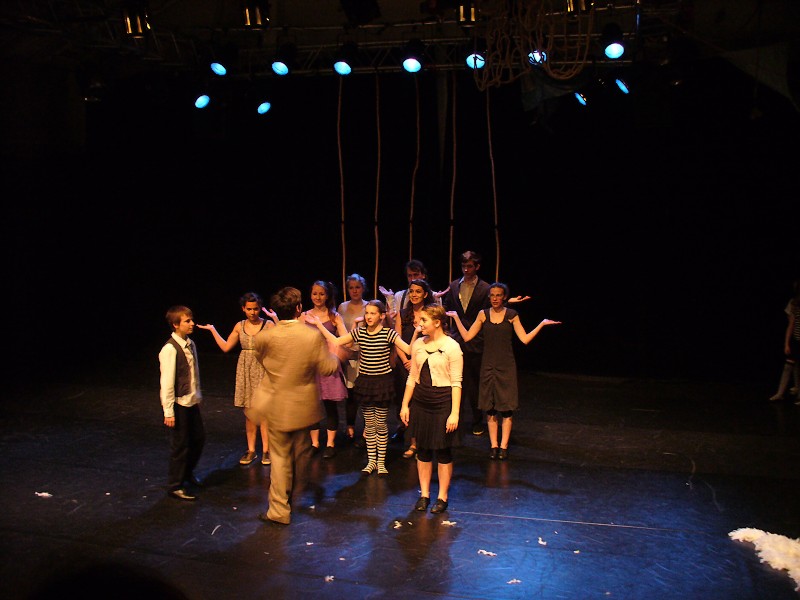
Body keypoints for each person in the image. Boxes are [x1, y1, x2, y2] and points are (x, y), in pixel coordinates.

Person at [249, 287, 340, 525]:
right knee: (299, 454)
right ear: (298, 308)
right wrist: (336, 355)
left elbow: (261, 360)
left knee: (280, 459)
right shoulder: (311, 336)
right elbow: (327, 368)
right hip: (304, 407)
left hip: (277, 404)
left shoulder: (265, 337)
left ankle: (279, 509)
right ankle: (291, 493)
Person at [447, 282, 561, 460]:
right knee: (490, 409)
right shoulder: (483, 315)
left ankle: (504, 446)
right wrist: (455, 317)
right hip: (488, 366)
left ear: (504, 297)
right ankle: (494, 446)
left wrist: (542, 324)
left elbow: (524, 339)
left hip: (506, 367)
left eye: (498, 295)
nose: (494, 298)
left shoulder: (511, 315)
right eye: (492, 295)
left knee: (506, 409)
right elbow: (468, 336)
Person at [309, 299, 415, 476]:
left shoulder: (388, 334)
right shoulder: (360, 332)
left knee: (380, 424)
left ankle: (381, 462)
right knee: (369, 425)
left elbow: (409, 349)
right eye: (367, 313)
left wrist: (417, 332)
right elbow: (337, 341)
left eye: (373, 313)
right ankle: (371, 461)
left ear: (381, 316)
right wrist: (319, 324)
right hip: (365, 383)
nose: (369, 316)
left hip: (382, 383)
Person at [197, 292, 274, 466]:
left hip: (263, 368)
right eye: (249, 309)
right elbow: (226, 347)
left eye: (255, 309)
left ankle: (267, 450)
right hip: (245, 368)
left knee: (264, 413)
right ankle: (251, 450)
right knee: (249, 412)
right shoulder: (240, 326)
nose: (253, 312)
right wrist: (213, 330)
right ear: (243, 309)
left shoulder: (268, 325)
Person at [400, 305, 463, 514]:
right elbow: (412, 377)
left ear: (437, 323)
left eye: (424, 320)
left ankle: (442, 496)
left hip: (443, 402)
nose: (420, 324)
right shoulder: (418, 344)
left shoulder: (452, 347)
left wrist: (454, 413)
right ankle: (424, 494)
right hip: (421, 402)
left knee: (443, 451)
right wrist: (405, 404)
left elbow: (456, 382)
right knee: (423, 450)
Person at [441, 250, 492, 436]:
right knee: (455, 380)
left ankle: (477, 420)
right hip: (456, 340)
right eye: (463, 266)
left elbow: (489, 313)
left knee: (475, 384)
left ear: (477, 267)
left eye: (469, 266)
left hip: (476, 341)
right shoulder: (454, 285)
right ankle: (457, 419)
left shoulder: (485, 288)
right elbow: (447, 307)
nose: (466, 270)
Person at [159, 305, 205, 501]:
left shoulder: (190, 343)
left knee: (198, 439)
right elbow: (167, 382)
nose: (192, 323)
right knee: (180, 445)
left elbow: (193, 373)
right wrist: (168, 411)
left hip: (191, 401)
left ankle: (187, 473)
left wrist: (197, 396)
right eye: (187, 321)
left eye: (191, 319)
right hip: (179, 404)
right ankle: (175, 485)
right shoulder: (170, 349)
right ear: (176, 324)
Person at [302, 280, 351, 457]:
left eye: (321, 294)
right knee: (312, 406)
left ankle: (330, 443)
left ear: (327, 296)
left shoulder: (334, 316)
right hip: (310, 365)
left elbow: (346, 339)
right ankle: (314, 443)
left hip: (328, 364)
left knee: (330, 404)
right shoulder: (304, 316)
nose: (318, 297)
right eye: (315, 293)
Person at [395, 278, 437, 459]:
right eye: (411, 291)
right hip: (404, 364)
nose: (414, 294)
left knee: (423, 403)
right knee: (408, 403)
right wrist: (406, 360)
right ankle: (412, 443)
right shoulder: (403, 314)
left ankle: (426, 441)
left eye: (418, 291)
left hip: (426, 364)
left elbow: (436, 338)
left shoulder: (430, 314)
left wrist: (416, 361)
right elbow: (396, 339)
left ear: (425, 294)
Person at [337, 273, 368, 445]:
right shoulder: (342, 307)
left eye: (357, 287)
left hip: (365, 354)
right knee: (351, 393)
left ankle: (366, 429)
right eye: (351, 288)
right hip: (348, 355)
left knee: (365, 393)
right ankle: (350, 426)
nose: (354, 290)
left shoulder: (369, 306)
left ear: (363, 288)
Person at [770, 279, 800, 402]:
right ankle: (780, 393)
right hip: (796, 340)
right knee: (789, 366)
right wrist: (787, 343)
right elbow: (791, 325)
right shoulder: (795, 305)